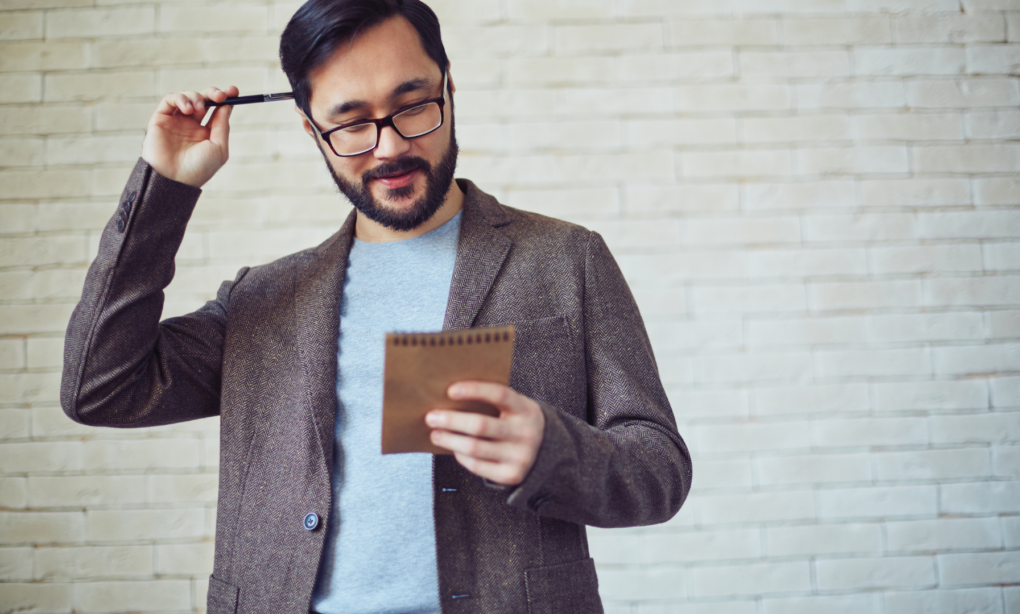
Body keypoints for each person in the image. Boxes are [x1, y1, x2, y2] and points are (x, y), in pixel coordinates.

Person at [60, 0, 692, 612]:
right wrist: (164, 189)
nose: (388, 147)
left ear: (449, 90)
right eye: (351, 123)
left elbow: (658, 470)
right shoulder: (262, 301)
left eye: (412, 106)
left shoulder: (566, 259)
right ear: (311, 128)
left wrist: (552, 451)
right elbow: (101, 388)